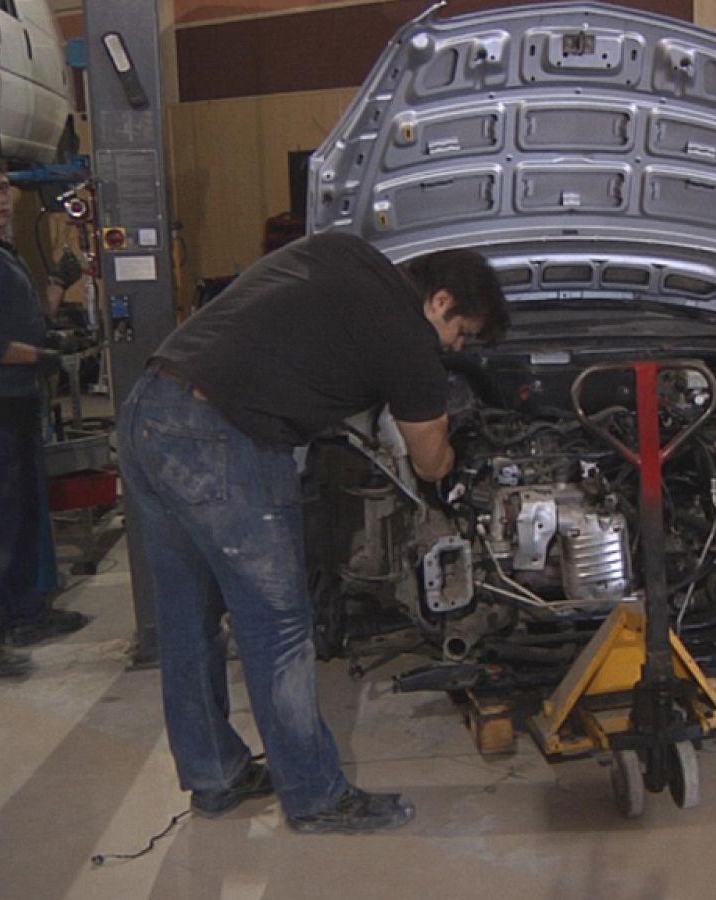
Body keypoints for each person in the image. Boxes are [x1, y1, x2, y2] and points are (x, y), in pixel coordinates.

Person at [117, 231, 506, 833]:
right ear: (441, 301)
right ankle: (315, 795)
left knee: (187, 617)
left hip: (151, 408)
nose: (456, 347)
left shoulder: (345, 253)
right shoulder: (407, 338)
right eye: (462, 332)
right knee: (278, 626)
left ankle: (215, 775)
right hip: (223, 439)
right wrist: (456, 464)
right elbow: (431, 460)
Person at [0, 155, 88, 680]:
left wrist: (60, 287)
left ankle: (23, 615)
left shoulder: (1, 252)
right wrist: (39, 357)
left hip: (15, 405)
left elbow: (28, 320)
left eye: (2, 187)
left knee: (19, 517)